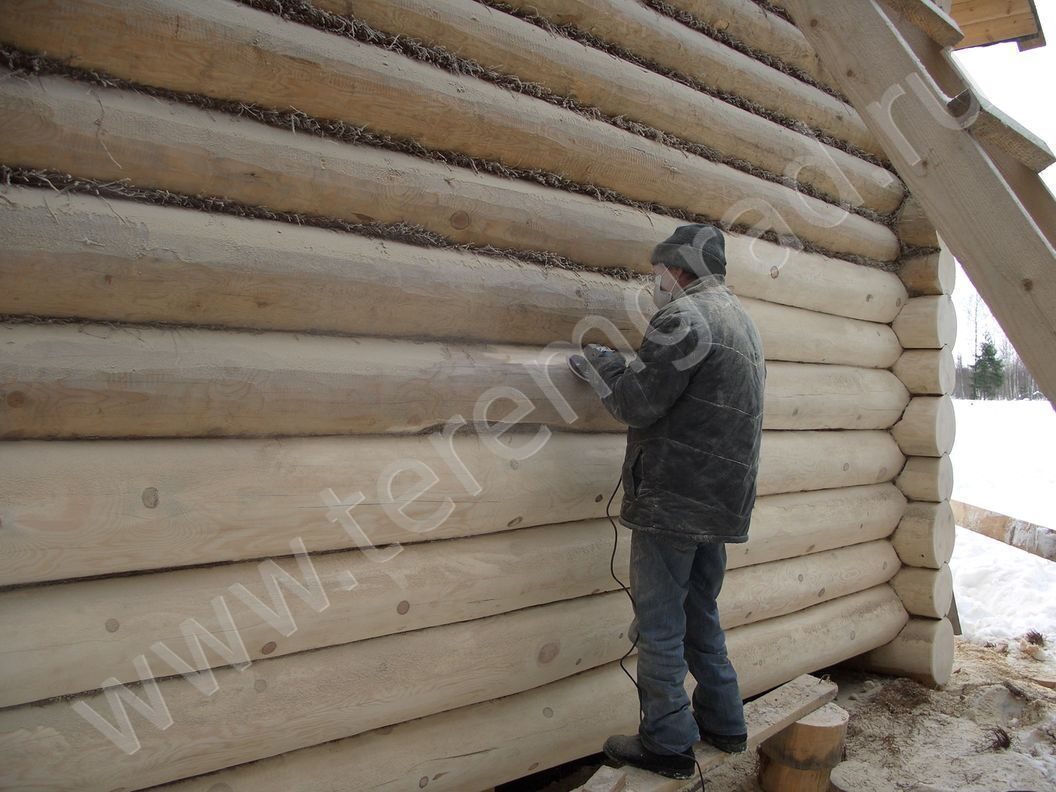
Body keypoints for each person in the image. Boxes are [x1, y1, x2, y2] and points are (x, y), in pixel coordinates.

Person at [568, 223, 766, 780]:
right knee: (700, 612)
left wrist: (604, 364)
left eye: (658, 270)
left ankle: (666, 741)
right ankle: (725, 722)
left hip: (672, 500)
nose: (654, 281)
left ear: (680, 269)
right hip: (720, 501)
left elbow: (637, 402)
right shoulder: (742, 322)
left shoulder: (684, 318)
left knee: (658, 625)